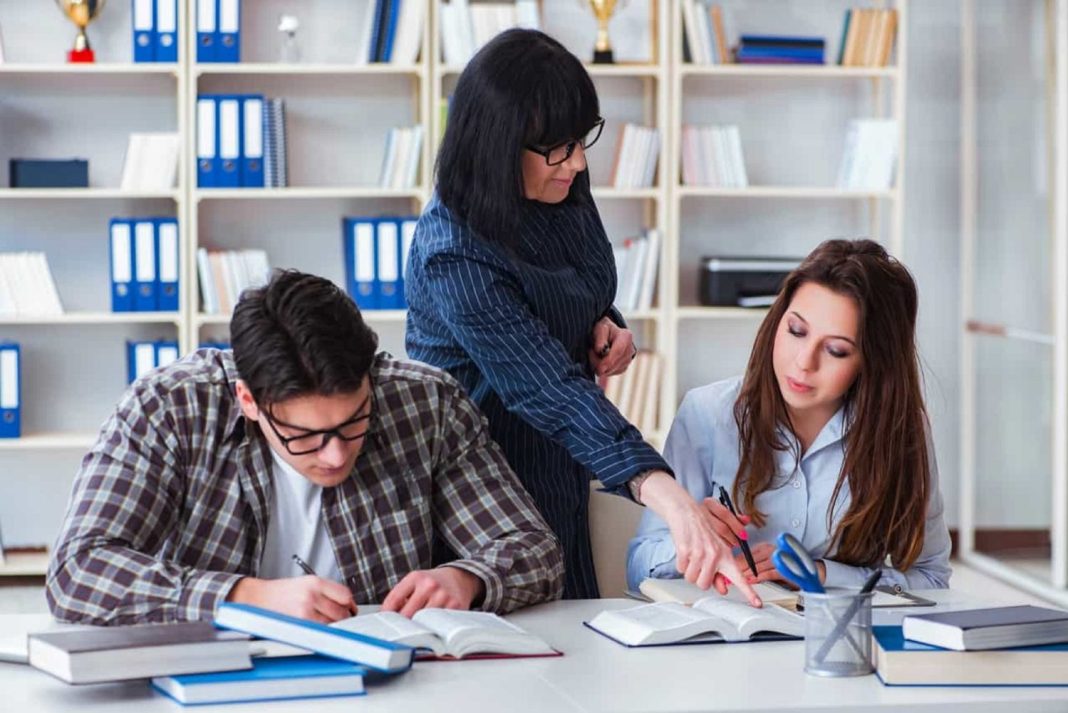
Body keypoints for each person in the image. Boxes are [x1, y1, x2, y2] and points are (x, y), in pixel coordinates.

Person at [405, 28, 758, 604]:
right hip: (480, 485)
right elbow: (549, 387)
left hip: (561, 463)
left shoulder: (559, 178)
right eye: (557, 149)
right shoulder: (454, 249)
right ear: (497, 147)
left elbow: (581, 282)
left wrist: (605, 322)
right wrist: (667, 494)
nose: (577, 162)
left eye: (581, 140)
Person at [46, 270, 564, 625]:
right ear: (248, 400)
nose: (336, 455)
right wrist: (248, 597)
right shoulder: (170, 408)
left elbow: (534, 549)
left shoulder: (425, 401)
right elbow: (77, 572)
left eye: (354, 421)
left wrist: (465, 577)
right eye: (304, 436)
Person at [627, 240, 952, 593]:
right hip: (726, 634)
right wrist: (691, 539)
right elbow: (638, 568)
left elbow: (931, 579)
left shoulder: (901, 431)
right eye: (796, 331)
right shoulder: (707, 413)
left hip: (840, 637)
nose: (804, 362)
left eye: (836, 350)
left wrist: (823, 574)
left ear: (873, 362)